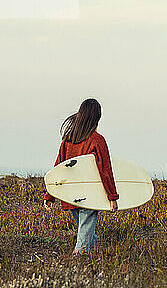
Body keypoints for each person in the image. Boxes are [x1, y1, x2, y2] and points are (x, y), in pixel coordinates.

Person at [43, 98, 118, 253]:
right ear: (97, 117)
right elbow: (105, 169)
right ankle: (77, 265)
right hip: (90, 194)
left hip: (70, 195)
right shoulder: (97, 140)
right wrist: (112, 197)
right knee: (84, 236)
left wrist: (50, 196)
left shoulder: (68, 140)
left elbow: (58, 169)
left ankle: (97, 260)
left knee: (87, 232)